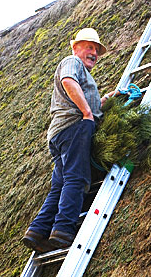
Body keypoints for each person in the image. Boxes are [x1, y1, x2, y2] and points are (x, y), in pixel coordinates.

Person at [23, 28, 114, 253]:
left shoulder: (82, 71)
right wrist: (87, 114)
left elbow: (89, 103)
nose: (93, 52)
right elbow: (68, 81)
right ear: (76, 47)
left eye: (96, 49)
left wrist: (107, 99)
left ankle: (37, 230)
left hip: (61, 132)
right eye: (89, 47)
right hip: (74, 127)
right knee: (77, 177)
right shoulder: (72, 62)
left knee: (59, 184)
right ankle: (63, 230)